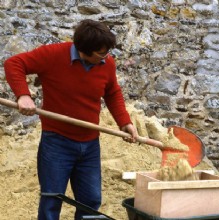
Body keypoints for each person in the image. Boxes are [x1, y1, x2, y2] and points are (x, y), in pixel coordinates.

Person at [4, 19, 138, 220]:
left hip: (90, 144)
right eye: (101, 53)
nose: (106, 57)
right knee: (52, 200)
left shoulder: (106, 63)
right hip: (57, 142)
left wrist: (125, 122)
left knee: (91, 202)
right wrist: (23, 95)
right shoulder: (53, 55)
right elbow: (14, 63)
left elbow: (112, 93)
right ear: (84, 50)